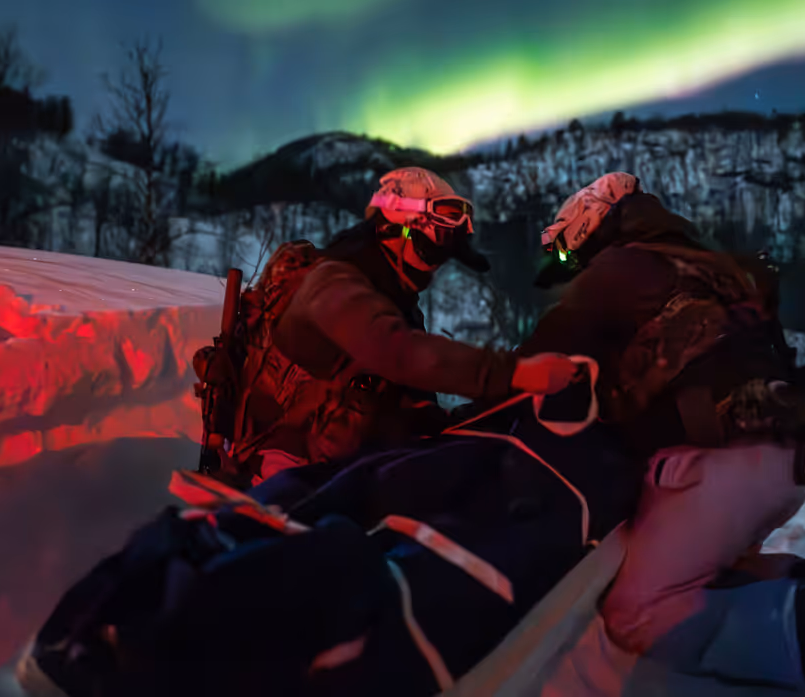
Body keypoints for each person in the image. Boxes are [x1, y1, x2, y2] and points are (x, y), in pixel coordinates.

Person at [519, 172, 805, 695]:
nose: (570, 268)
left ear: (589, 225)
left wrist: (476, 404)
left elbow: (537, 360)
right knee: (714, 569)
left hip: (719, 462)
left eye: (568, 254)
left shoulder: (619, 267)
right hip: (786, 457)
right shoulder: (702, 262)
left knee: (636, 612)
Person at [218, 166, 577, 486]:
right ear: (393, 230)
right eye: (429, 250)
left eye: (442, 257)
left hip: (346, 466)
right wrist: (514, 373)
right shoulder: (333, 282)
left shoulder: (394, 299)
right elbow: (398, 352)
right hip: (283, 466)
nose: (433, 269)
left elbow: (408, 392)